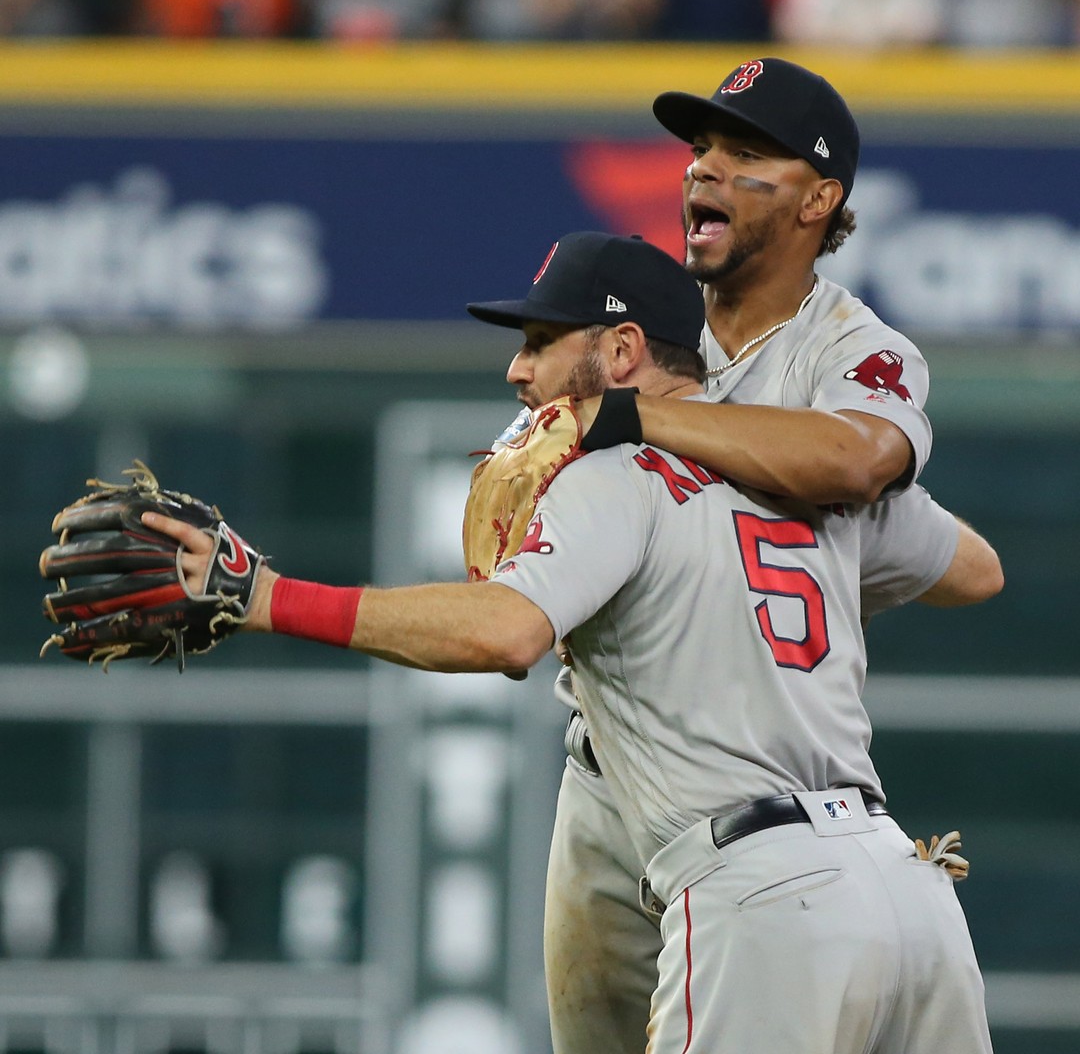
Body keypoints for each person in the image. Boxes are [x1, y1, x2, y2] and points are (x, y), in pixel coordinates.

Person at [145, 231, 994, 1053]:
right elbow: (975, 571)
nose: (519, 369)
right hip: (908, 898)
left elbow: (508, 633)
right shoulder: (803, 468)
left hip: (767, 903)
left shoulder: (607, 474)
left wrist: (264, 596)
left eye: (543, 341)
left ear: (623, 351)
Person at [536, 58, 1002, 1054]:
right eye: (701, 148)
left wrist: (637, 418)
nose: (704, 170)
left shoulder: (847, 350)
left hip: (754, 812)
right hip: (605, 781)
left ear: (818, 199)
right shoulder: (654, 330)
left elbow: (877, 474)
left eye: (746, 155)